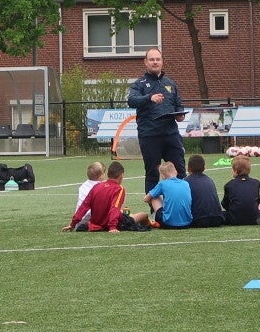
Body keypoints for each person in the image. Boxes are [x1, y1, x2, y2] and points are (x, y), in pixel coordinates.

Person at [126, 48, 187, 196]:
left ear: (162, 62)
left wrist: (180, 115)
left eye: (158, 59)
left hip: (171, 134)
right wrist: (149, 98)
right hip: (150, 136)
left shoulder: (170, 83)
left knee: (179, 171)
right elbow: (131, 100)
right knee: (153, 174)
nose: (155, 62)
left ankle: (181, 204)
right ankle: (155, 208)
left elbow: (178, 105)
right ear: (145, 62)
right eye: (152, 59)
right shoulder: (140, 84)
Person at [66, 161, 127, 232]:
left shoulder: (96, 186)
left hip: (92, 223)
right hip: (105, 222)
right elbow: (115, 207)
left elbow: (84, 206)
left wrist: (73, 223)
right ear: (121, 175)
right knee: (137, 216)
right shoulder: (118, 188)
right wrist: (112, 226)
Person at [185, 154, 225, 228]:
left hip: (198, 220)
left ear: (188, 168)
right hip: (217, 219)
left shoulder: (185, 182)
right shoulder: (210, 180)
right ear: (204, 168)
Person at [223, 155, 260, 226]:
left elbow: (225, 203)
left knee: (221, 213)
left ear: (235, 171)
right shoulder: (256, 182)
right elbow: (257, 201)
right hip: (254, 219)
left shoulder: (229, 185)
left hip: (234, 219)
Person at [68, 162, 105, 230]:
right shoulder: (101, 187)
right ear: (100, 177)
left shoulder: (83, 186)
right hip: (91, 216)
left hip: (79, 219)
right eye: (104, 173)